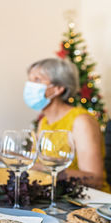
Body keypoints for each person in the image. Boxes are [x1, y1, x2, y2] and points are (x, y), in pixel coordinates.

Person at [24, 58, 107, 190]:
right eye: (29, 80)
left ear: (58, 89)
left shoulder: (81, 121)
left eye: (37, 80)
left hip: (88, 201)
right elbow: (36, 164)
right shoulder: (43, 122)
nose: (29, 86)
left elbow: (95, 179)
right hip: (57, 195)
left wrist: (44, 169)